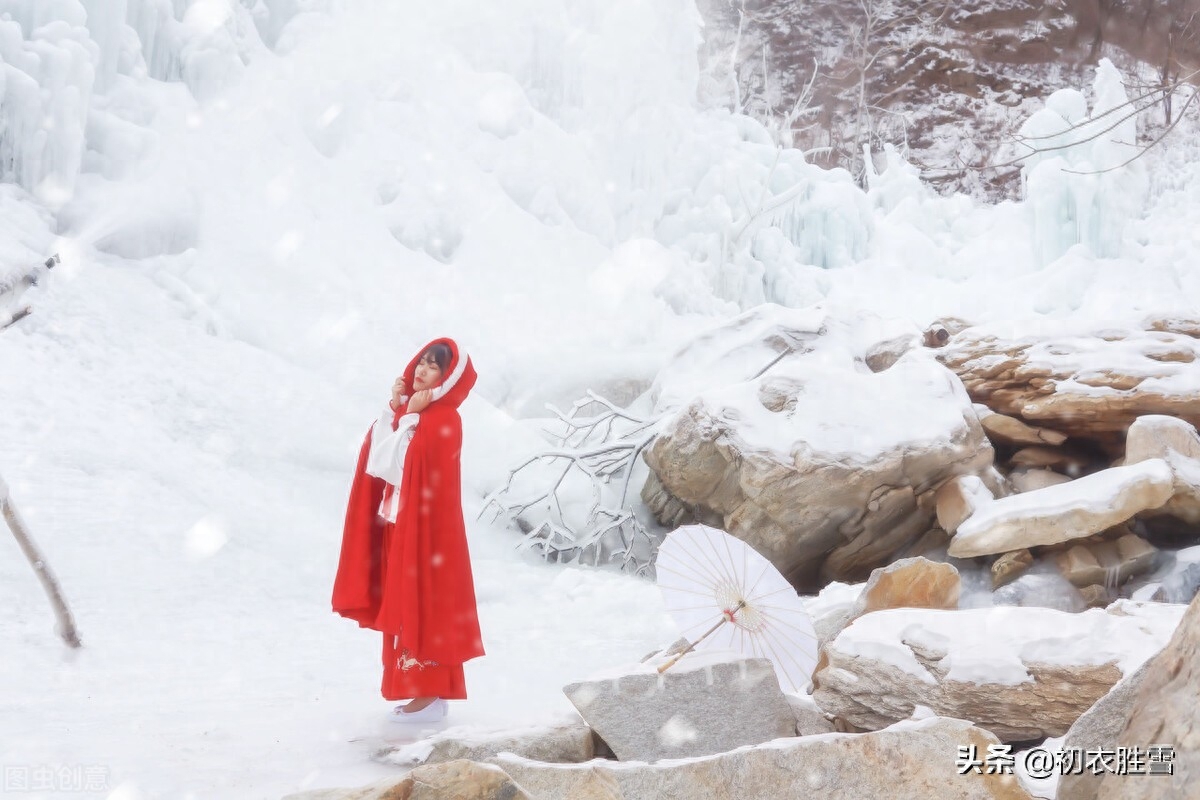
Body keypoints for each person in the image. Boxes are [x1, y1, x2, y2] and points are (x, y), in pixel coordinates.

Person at [332, 338, 484, 722]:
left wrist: (411, 417)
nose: (421, 370)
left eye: (434, 367)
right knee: (402, 604)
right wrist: (395, 411)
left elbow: (402, 464)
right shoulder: (414, 412)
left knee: (424, 604)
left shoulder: (445, 419)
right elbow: (377, 459)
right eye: (422, 362)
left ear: (448, 378)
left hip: (427, 534)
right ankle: (415, 688)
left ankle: (431, 693)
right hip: (401, 525)